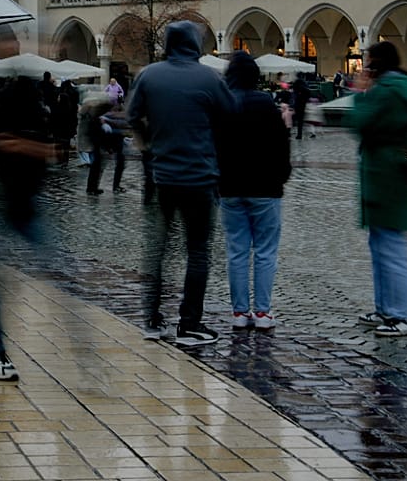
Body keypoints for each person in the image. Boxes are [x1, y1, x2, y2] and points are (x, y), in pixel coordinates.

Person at [128, 20, 233, 347]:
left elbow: (132, 116)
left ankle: (151, 319)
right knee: (198, 251)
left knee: (157, 250)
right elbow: (231, 115)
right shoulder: (210, 78)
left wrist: (150, 141)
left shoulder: (149, 75)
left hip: (163, 177)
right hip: (200, 178)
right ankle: (189, 324)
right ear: (195, 44)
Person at [0, 25, 53, 383]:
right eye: (6, 43)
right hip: (1, 200)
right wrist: (19, 146)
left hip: (28, 199)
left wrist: (26, 146)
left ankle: (87, 359)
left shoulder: (28, 86)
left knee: (61, 275)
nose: (13, 48)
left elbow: (47, 144)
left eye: (15, 43)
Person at [350, 40, 407, 337]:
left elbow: (360, 121)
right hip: (389, 176)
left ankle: (404, 315)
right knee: (382, 245)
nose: (364, 67)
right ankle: (386, 309)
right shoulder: (401, 88)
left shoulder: (387, 93)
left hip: (386, 177)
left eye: (368, 62)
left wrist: (359, 92)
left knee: (392, 248)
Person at [216, 52, 291, 331]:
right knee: (265, 251)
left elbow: (213, 146)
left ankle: (239, 311)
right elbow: (281, 145)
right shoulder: (266, 104)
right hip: (265, 188)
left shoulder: (221, 104)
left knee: (236, 251)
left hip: (230, 188)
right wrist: (282, 177)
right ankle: (262, 312)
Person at [83, 98, 127, 196]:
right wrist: (107, 147)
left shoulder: (98, 118)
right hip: (97, 145)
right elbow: (98, 133)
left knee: (97, 167)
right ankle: (91, 188)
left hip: (98, 145)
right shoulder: (97, 119)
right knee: (96, 167)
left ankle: (93, 187)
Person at [291, 75, 312, 140]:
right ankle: (299, 134)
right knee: (300, 120)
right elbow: (308, 94)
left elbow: (294, 94)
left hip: (297, 104)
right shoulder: (305, 86)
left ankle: (293, 133)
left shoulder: (296, 84)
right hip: (303, 105)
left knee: (294, 119)